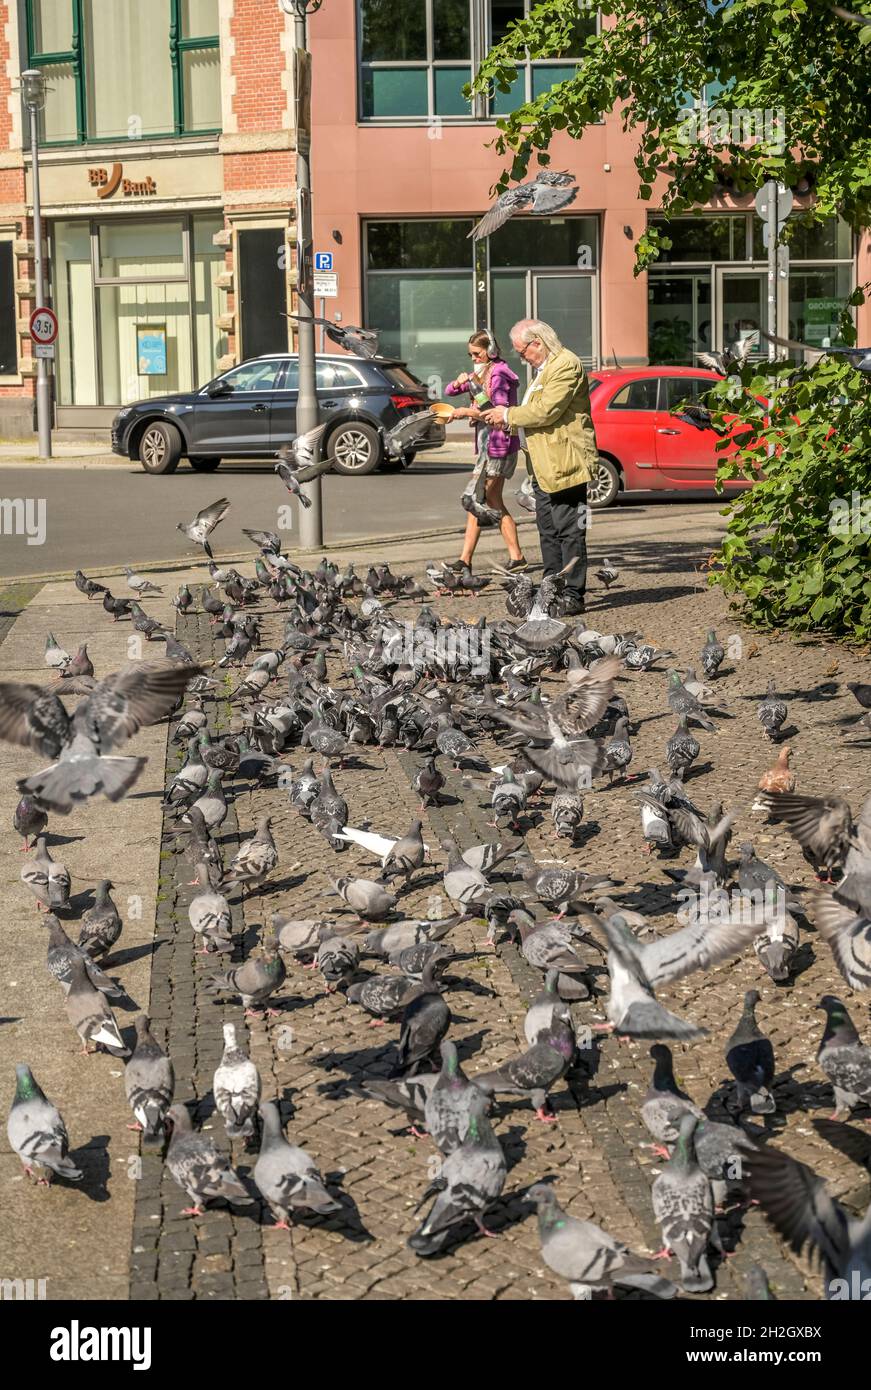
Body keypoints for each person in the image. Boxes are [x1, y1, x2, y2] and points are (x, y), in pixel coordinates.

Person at [482, 318, 598, 615]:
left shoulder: (565, 364)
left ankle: (573, 593)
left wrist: (508, 415)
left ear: (538, 343)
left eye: (522, 352)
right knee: (547, 529)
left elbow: (545, 411)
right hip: (544, 464)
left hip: (566, 462)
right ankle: (551, 589)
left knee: (569, 530)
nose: (521, 358)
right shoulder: (543, 369)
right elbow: (534, 412)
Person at [442, 330, 527, 573]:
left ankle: (467, 560)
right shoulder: (482, 372)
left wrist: (466, 413)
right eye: (471, 355)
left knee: (479, 500)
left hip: (499, 445)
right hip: (489, 445)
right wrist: (459, 382)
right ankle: (504, 557)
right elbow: (449, 391)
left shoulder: (498, 374)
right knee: (483, 500)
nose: (474, 359)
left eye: (477, 354)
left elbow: (499, 413)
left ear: (490, 351)